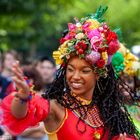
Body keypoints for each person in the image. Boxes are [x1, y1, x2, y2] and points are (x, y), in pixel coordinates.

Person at [1, 6, 139, 140]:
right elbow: (19, 115)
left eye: (84, 71)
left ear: (98, 74)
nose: (75, 76)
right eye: (70, 69)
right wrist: (23, 98)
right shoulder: (56, 107)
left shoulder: (108, 111)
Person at [112, 43, 140, 133]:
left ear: (136, 83)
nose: (125, 86)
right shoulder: (113, 110)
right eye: (120, 81)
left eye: (129, 81)